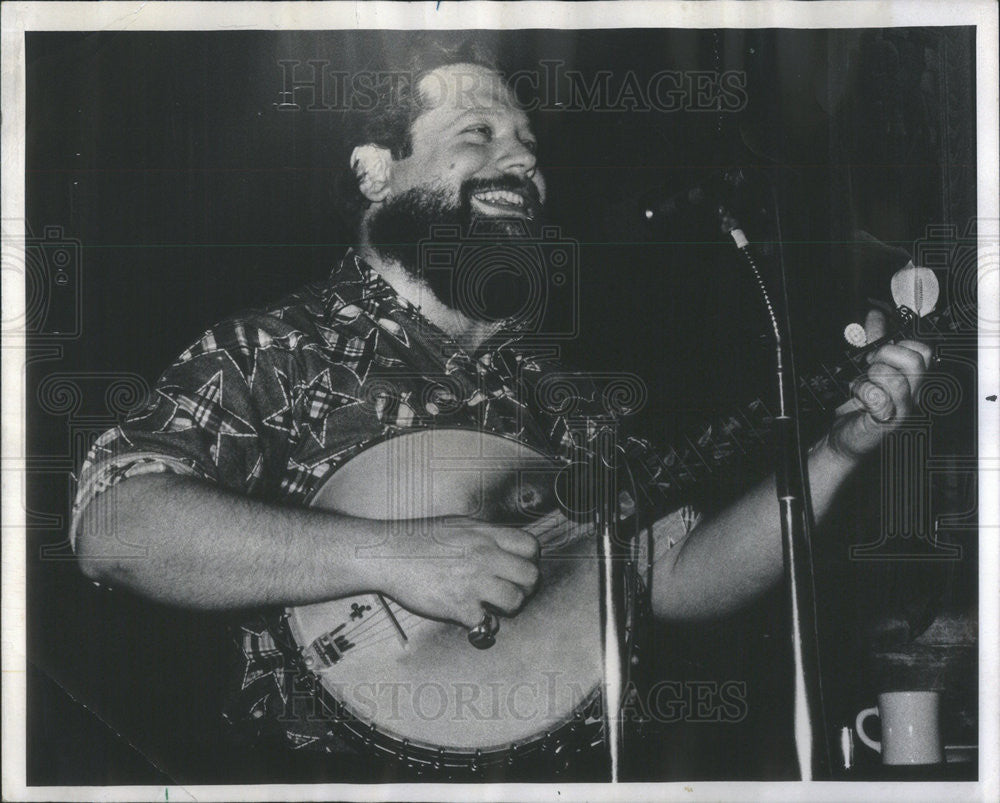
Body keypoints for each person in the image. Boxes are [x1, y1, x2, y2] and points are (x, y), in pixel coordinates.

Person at [71, 39, 933, 776]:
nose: (521, 159)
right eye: (476, 135)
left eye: (526, 144)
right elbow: (115, 523)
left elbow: (672, 577)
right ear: (375, 171)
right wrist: (391, 555)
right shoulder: (278, 348)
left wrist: (837, 453)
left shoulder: (561, 397)